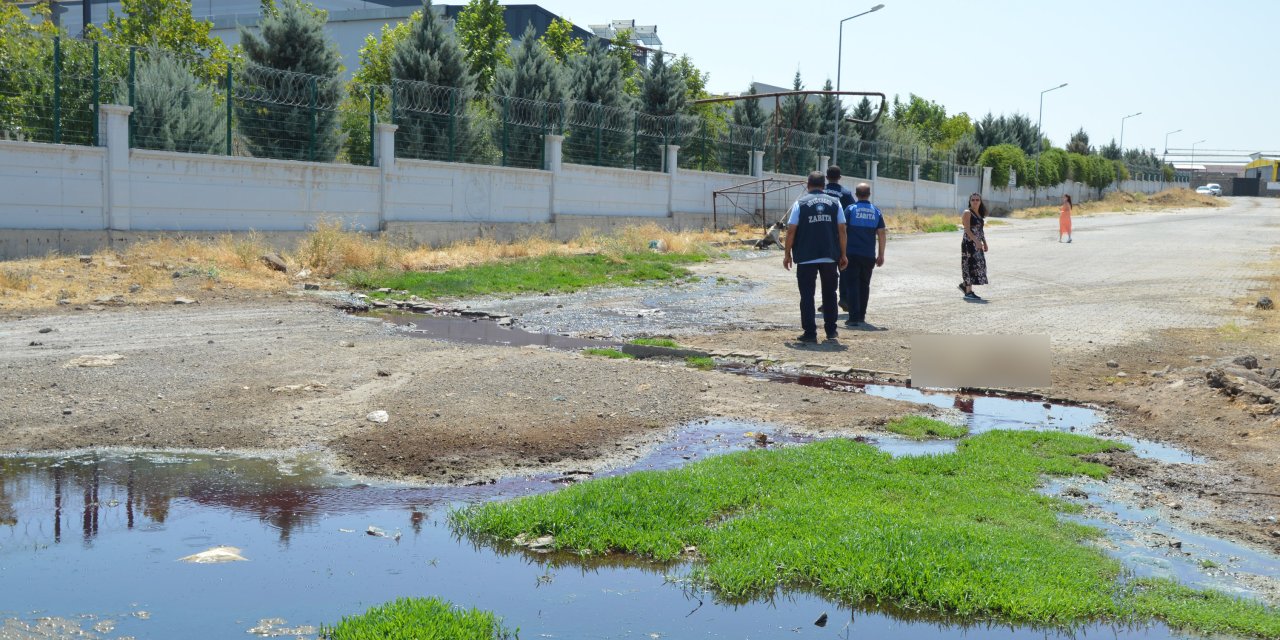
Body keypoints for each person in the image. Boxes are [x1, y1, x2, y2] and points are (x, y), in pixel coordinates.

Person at [784, 171, 848, 343]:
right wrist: (843, 254)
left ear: (807, 184)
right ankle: (831, 331)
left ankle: (810, 333)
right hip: (829, 256)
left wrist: (787, 253)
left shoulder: (800, 203)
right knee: (830, 294)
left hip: (805, 257)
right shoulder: (835, 203)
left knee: (807, 295)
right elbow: (842, 229)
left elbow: (791, 230)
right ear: (824, 185)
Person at [840, 182, 886, 328]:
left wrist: (841, 253)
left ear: (856, 194)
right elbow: (882, 233)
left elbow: (843, 231)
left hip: (851, 254)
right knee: (864, 285)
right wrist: (881, 255)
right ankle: (861, 316)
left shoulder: (851, 209)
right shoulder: (876, 211)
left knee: (852, 284)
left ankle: (853, 317)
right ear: (869, 194)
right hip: (868, 255)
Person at [959, 193, 988, 301]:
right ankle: (968, 292)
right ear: (970, 201)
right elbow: (967, 229)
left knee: (978, 266)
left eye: (977, 200)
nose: (975, 201)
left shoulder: (979, 214)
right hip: (969, 244)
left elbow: (980, 230)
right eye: (973, 200)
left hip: (977, 244)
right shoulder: (967, 213)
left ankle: (965, 286)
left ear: (980, 201)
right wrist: (976, 241)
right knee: (969, 265)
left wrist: (984, 242)